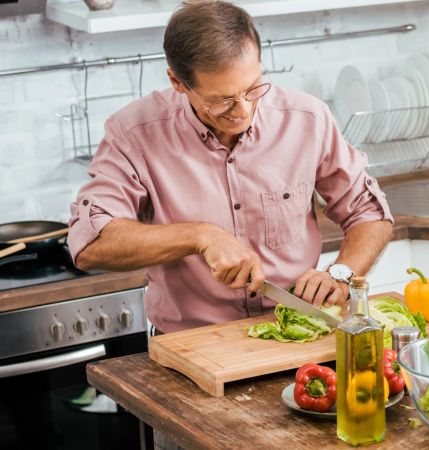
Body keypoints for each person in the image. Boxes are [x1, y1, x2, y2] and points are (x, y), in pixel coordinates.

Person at [68, 1, 393, 334]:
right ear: (178, 82)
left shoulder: (308, 119)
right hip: (194, 344)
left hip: (299, 332)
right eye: (220, 99)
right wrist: (199, 236)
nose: (243, 110)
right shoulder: (134, 133)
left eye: (253, 88)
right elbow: (90, 243)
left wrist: (342, 272)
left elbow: (370, 213)